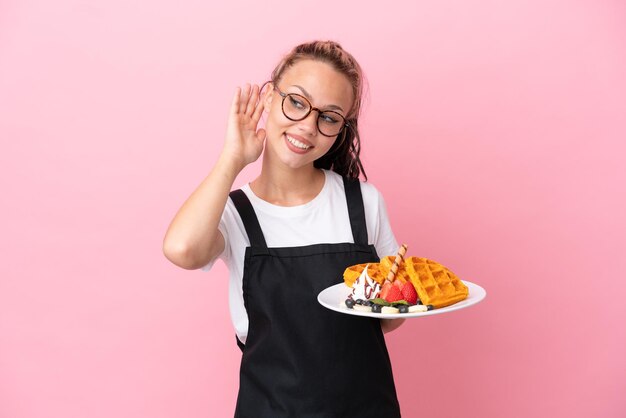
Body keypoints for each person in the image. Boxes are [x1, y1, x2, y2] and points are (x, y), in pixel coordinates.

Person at [163, 40, 404, 417]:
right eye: (296, 101)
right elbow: (181, 250)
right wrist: (233, 157)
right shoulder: (234, 212)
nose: (307, 126)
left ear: (340, 129)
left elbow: (393, 314)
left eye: (329, 117)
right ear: (269, 98)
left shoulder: (363, 203)